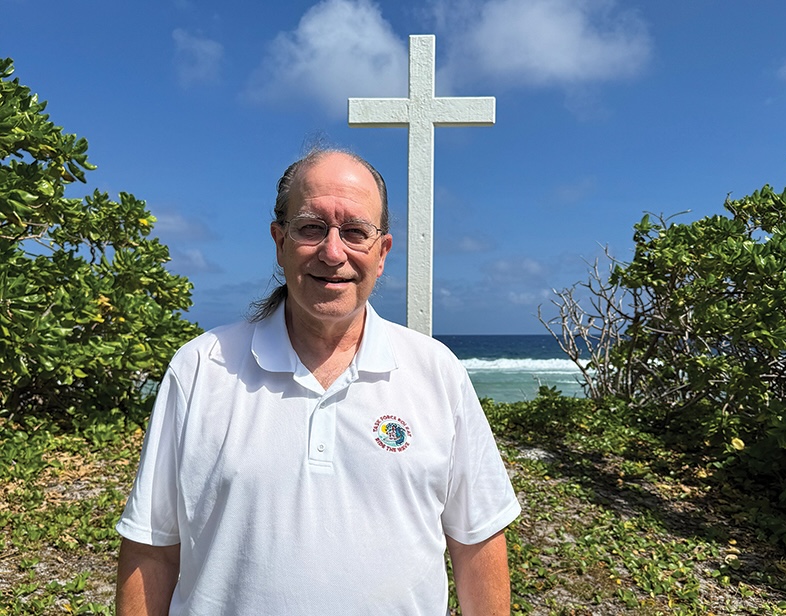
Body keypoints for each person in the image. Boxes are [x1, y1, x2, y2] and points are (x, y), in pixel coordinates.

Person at [115, 148, 521, 615]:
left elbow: (478, 542)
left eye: (354, 232)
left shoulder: (437, 372)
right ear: (279, 241)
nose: (333, 252)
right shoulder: (201, 368)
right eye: (311, 228)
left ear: (382, 251)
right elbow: (152, 547)